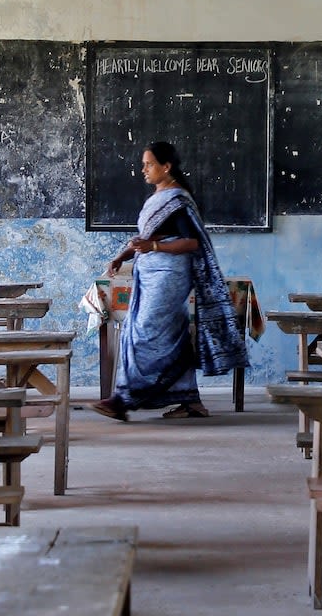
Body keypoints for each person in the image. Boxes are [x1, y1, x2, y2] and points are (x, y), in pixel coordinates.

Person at [92, 141, 248, 421]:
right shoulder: (158, 197)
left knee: (143, 333)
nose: (144, 170)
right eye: (143, 164)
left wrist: (153, 249)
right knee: (171, 334)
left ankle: (125, 399)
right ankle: (190, 401)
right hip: (150, 274)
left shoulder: (177, 199)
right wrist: (123, 255)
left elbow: (190, 242)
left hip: (168, 276)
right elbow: (150, 237)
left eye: (149, 164)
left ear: (167, 167)